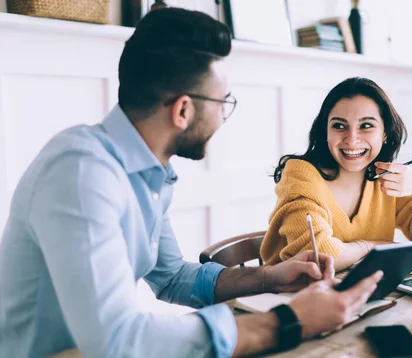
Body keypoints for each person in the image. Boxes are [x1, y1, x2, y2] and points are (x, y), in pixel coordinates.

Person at [0, 8, 383, 358]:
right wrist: (288, 322)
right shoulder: (83, 174)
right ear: (183, 110)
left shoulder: (146, 172)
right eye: (222, 103)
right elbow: (117, 341)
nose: (223, 116)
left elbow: (171, 278)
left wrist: (271, 277)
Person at [260, 77, 412, 271]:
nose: (352, 140)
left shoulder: (383, 177)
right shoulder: (301, 176)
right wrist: (371, 247)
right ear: (325, 131)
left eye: (366, 126)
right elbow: (319, 256)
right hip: (292, 297)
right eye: (339, 126)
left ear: (385, 132)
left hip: (363, 293)